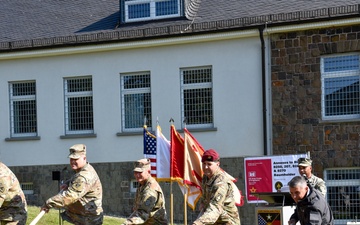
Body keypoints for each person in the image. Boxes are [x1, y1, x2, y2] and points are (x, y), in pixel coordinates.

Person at [41, 144, 103, 225]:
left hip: (88, 220)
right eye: (71, 159)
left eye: (76, 159)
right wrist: (68, 184)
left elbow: (69, 196)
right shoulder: (84, 169)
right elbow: (76, 180)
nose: (73, 161)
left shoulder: (84, 176)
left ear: (84, 158)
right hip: (84, 218)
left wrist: (48, 204)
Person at [192, 149, 240, 225]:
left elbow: (215, 208)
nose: (206, 167)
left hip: (227, 222)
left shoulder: (221, 183)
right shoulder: (206, 177)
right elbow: (205, 198)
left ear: (217, 164)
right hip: (214, 220)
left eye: (209, 164)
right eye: (204, 163)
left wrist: (198, 223)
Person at [122, 158, 168, 225]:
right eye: (135, 172)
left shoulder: (150, 189)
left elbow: (142, 213)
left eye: (140, 172)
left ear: (148, 171)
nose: (137, 175)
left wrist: (126, 223)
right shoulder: (142, 184)